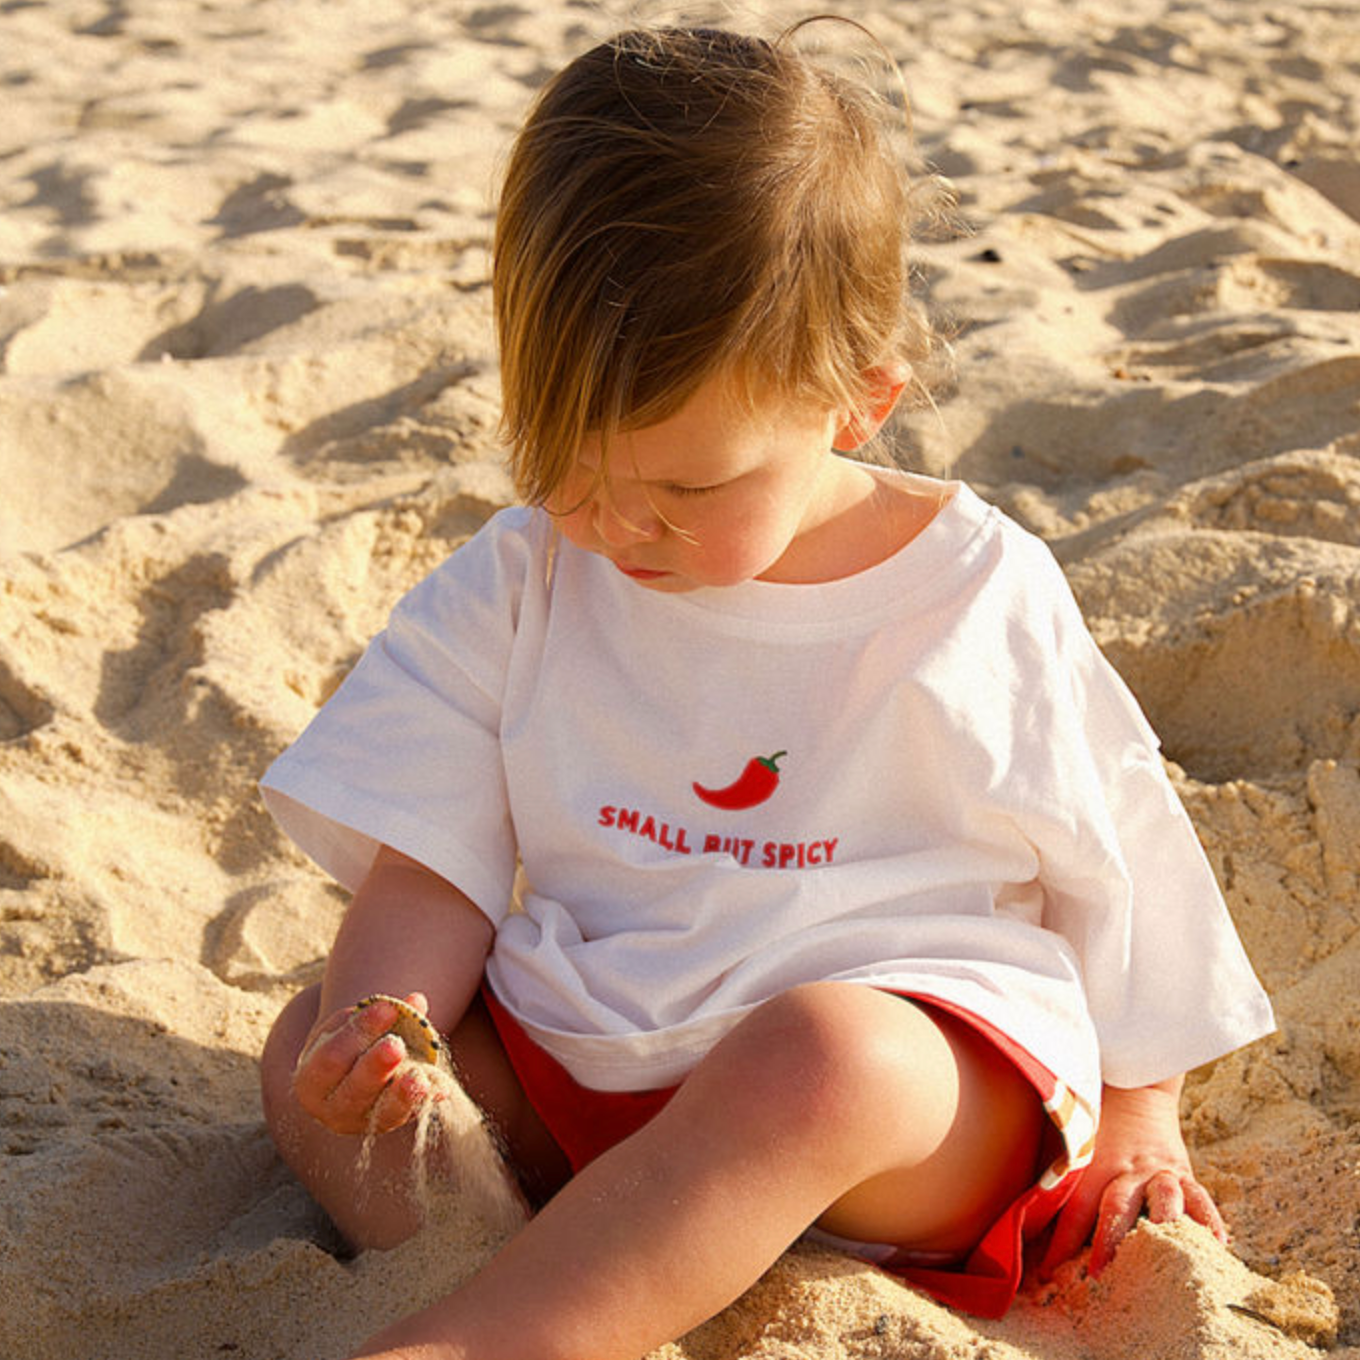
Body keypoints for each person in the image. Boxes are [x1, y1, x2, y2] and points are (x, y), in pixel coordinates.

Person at [257, 24, 1275, 1360]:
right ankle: (572, 1257)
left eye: (688, 489)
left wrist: (1142, 1114)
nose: (616, 523)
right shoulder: (524, 579)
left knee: (820, 1059)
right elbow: (432, 861)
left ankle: (507, 1329)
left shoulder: (972, 593)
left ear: (857, 400)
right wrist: (378, 1032)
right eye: (566, 460)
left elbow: (1121, 852)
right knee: (296, 1050)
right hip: (602, 1054)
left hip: (891, 1108)